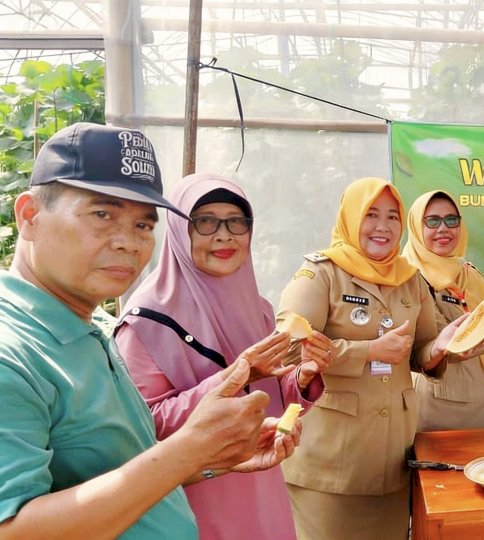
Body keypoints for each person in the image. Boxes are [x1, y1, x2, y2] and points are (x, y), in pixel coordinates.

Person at [0, 123, 298, 538]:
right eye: (102, 214)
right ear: (30, 215)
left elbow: (118, 467)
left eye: (143, 225)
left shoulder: (96, 327)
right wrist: (188, 450)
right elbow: (12, 529)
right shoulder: (12, 355)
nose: (129, 242)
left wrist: (209, 458)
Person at [114, 173, 333, 539]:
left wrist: (302, 379)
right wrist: (237, 374)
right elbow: (144, 424)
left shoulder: (257, 309)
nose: (224, 235)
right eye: (206, 222)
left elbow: (265, 399)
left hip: (260, 483)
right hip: (193, 492)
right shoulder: (146, 321)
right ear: (180, 231)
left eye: (236, 222)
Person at [275, 177, 484, 539]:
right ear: (351, 217)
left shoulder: (409, 278)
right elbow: (290, 348)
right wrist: (367, 351)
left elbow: (420, 350)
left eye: (392, 216)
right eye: (371, 215)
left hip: (391, 459)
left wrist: (439, 348)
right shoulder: (321, 273)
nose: (383, 227)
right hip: (330, 462)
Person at [402, 190, 484, 431]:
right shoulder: (408, 279)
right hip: (444, 414)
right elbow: (429, 347)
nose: (443, 228)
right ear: (417, 227)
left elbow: (481, 331)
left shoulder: (470, 274)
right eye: (432, 221)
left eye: (451, 220)